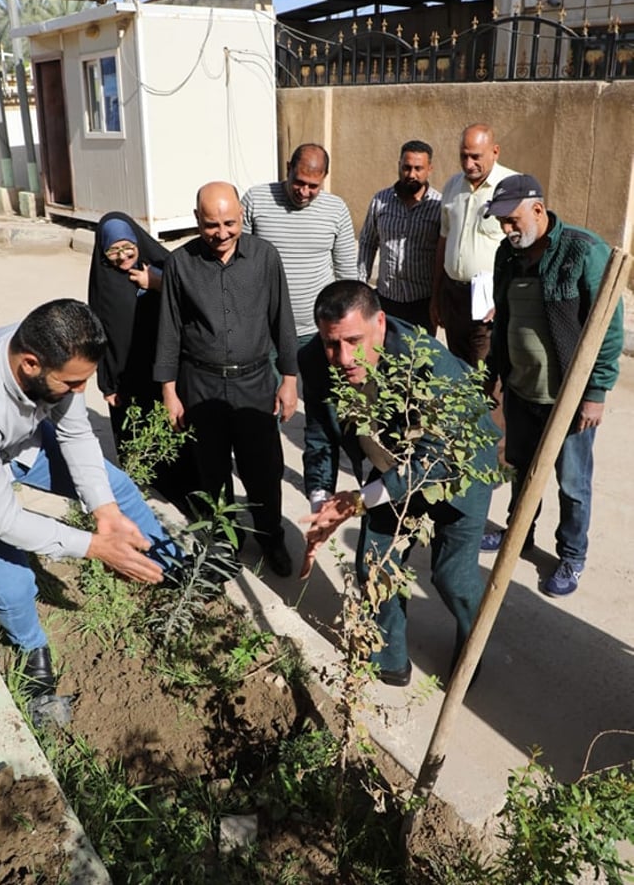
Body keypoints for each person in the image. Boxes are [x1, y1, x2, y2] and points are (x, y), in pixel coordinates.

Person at [0, 299, 183, 702]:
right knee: (15, 585)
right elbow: (4, 520)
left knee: (115, 488)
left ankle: (168, 563)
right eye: (72, 385)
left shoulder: (52, 348)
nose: (81, 391)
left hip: (21, 444)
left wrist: (104, 512)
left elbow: (76, 434)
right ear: (30, 364)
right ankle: (32, 649)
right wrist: (94, 546)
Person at [299, 281, 499, 686]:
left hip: (456, 472)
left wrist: (355, 502)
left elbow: (434, 459)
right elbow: (320, 433)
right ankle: (388, 657)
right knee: (375, 563)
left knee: (452, 575)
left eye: (354, 340)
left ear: (381, 323)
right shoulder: (314, 359)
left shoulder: (428, 362)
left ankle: (473, 644)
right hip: (388, 464)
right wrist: (322, 502)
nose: (344, 357)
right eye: (332, 344)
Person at [479, 174, 623, 597]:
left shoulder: (582, 251)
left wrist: (595, 393)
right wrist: (494, 375)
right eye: (502, 222)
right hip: (523, 391)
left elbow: (608, 330)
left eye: (512, 219)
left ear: (537, 210)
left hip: (568, 399)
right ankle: (518, 535)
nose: (507, 230)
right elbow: (503, 319)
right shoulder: (507, 256)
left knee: (572, 484)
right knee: (522, 470)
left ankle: (572, 556)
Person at [155, 181, 299, 577]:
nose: (222, 234)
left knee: (263, 470)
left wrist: (289, 379)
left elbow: (282, 320)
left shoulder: (265, 257)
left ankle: (271, 537)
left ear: (241, 216)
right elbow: (169, 331)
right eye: (211, 225)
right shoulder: (180, 263)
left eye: (230, 223)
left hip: (254, 383)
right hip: (200, 383)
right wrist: (169, 391)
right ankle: (223, 542)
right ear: (197, 219)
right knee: (211, 471)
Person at [88, 211, 198, 513]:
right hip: (129, 375)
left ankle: (186, 489)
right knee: (138, 434)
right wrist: (107, 383)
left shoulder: (163, 266)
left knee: (177, 432)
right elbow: (100, 336)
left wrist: (158, 283)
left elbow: (195, 298)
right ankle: (151, 483)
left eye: (128, 247)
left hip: (168, 371)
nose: (122, 256)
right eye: (113, 250)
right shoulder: (103, 283)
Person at [241, 143, 357, 346]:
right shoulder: (255, 200)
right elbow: (237, 261)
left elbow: (346, 275)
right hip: (265, 328)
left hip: (315, 330)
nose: (304, 192)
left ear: (324, 177)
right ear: (288, 168)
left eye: (313, 186)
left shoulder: (336, 209)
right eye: (298, 182)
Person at [431, 123, 517, 365]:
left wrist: (506, 298)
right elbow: (444, 239)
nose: (469, 164)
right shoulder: (452, 186)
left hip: (489, 296)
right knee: (457, 368)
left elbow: (525, 250)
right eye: (463, 156)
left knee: (485, 372)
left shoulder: (512, 187)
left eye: (475, 157)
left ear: (495, 152)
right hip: (453, 295)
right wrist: (436, 295)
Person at [357, 139, 441, 333]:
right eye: (406, 167)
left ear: (430, 169)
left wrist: (438, 300)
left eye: (418, 168)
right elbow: (368, 242)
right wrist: (361, 288)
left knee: (420, 358)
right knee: (385, 357)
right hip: (387, 300)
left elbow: (443, 255)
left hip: (422, 303)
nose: (411, 174)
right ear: (399, 166)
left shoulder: (439, 206)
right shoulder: (380, 201)